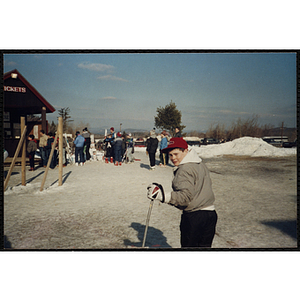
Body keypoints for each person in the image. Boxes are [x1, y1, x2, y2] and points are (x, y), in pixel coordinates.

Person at [147, 137, 217, 248]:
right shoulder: (200, 164)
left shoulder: (184, 169)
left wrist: (162, 196)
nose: (173, 158)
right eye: (170, 155)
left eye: (176, 154)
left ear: (185, 150)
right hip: (210, 215)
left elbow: (185, 197)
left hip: (194, 217)